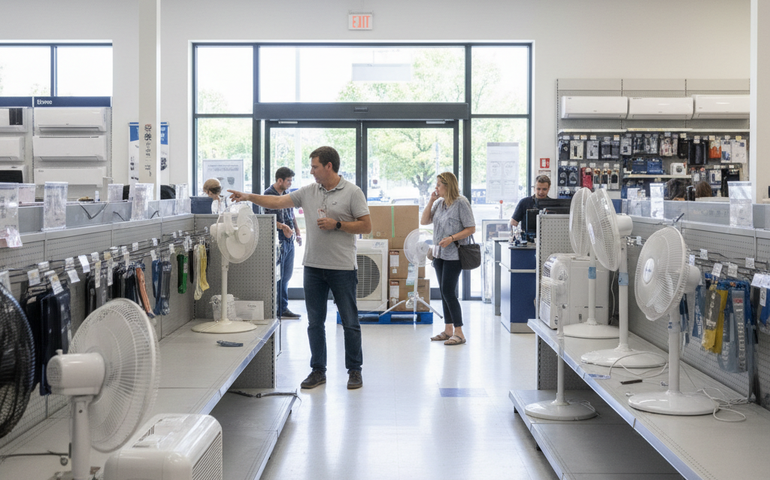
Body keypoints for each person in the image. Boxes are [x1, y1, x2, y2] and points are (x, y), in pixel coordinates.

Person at [228, 146, 371, 390]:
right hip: (313, 268)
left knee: (349, 321)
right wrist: (249, 197)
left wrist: (337, 224)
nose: (312, 171)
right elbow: (276, 201)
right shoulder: (308, 191)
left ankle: (354, 371)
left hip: (342, 268)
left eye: (315, 166)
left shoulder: (352, 192)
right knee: (315, 322)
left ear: (328, 166)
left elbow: (365, 226)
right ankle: (318, 371)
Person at [420, 172, 476, 346]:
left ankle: (459, 332)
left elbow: (471, 228)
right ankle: (448, 330)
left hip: (454, 255)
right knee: (444, 293)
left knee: (448, 292)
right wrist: (430, 200)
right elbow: (424, 221)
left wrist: (452, 238)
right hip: (439, 254)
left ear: (448, 185)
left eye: (439, 185)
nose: (436, 188)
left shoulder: (461, 203)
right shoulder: (439, 203)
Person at [264, 167, 302, 319]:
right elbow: (268, 218)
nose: (290, 183)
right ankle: (277, 308)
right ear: (280, 180)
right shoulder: (268, 195)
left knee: (287, 275)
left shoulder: (287, 194)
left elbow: (291, 215)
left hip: (289, 238)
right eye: (288, 181)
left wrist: (297, 231)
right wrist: (283, 227)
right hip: (277, 240)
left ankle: (282, 308)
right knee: (278, 275)